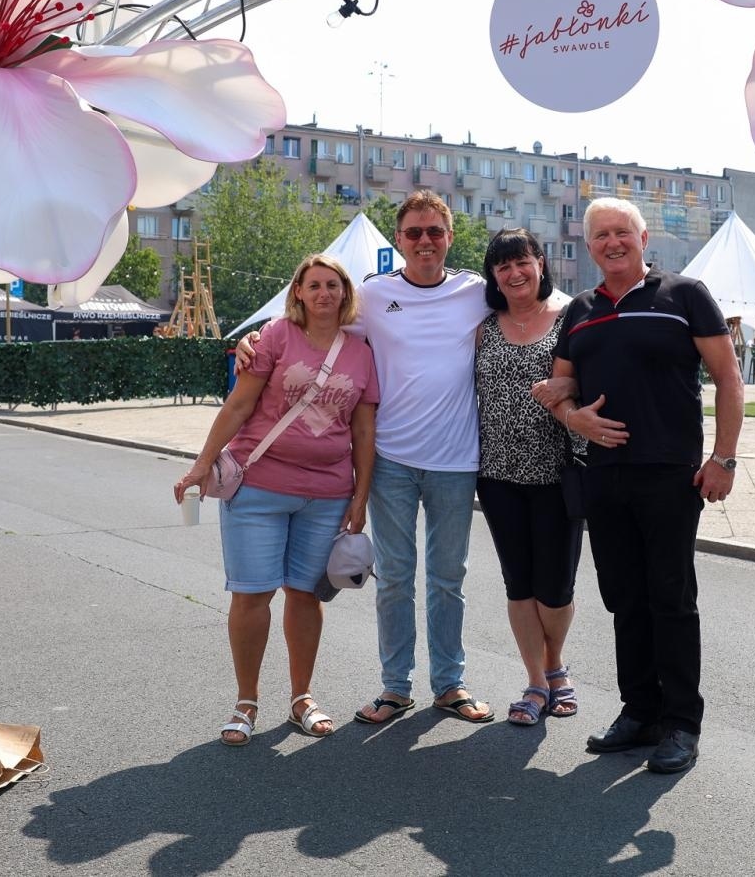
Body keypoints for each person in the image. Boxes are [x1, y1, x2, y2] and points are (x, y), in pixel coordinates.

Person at [235, 190, 494, 725]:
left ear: (449, 237)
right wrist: (253, 340)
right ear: (398, 240)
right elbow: (310, 329)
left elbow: (538, 306)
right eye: (414, 233)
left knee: (449, 577)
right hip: (393, 460)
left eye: (435, 232)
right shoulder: (375, 295)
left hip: (455, 460)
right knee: (396, 577)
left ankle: (450, 683)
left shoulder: (476, 292)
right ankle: (395, 687)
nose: (425, 241)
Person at [535, 197, 744, 774]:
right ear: (588, 246)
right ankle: (639, 712)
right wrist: (573, 418)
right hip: (603, 478)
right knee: (624, 599)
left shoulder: (685, 295)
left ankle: (681, 723)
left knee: (671, 599)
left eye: (621, 232)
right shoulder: (577, 312)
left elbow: (728, 377)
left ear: (643, 237)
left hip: (671, 474)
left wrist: (724, 458)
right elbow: (558, 390)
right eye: (601, 235)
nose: (612, 243)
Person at [176, 254, 378, 744]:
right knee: (252, 594)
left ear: (346, 294)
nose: (325, 293)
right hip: (259, 486)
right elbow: (240, 403)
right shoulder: (275, 337)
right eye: (315, 285)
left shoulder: (361, 351)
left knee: (306, 595)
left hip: (327, 494)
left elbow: (363, 428)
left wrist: (361, 494)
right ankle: (246, 702)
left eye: (333, 285)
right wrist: (203, 463)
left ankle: (301, 697)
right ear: (300, 293)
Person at [475, 229, 584, 726]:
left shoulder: (570, 319)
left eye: (522, 262)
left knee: (555, 586)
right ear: (494, 276)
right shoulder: (483, 326)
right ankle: (538, 681)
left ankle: (555, 662)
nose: (514, 274)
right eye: (503, 267)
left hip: (557, 474)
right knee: (519, 583)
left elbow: (593, 376)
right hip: (496, 476)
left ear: (540, 263)